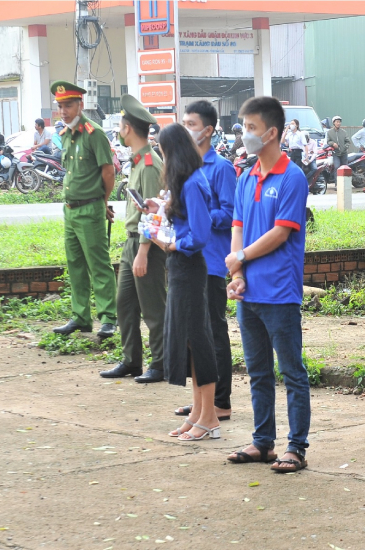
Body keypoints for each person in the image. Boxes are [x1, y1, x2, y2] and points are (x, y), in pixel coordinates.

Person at [224, 96, 310, 472]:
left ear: (272, 132)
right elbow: (237, 226)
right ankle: (263, 442)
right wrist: (238, 272)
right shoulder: (245, 177)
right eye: (244, 128)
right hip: (250, 293)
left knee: (291, 372)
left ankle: (296, 447)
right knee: (257, 372)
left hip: (279, 292)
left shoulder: (292, 178)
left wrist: (241, 259)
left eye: (251, 128)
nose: (245, 135)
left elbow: (280, 233)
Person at [147, 122, 220, 441]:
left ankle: (210, 417)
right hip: (179, 267)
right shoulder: (185, 181)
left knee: (198, 339)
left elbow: (199, 234)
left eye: (162, 151)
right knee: (189, 342)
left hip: (189, 266)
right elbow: (185, 220)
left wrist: (174, 244)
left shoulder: (192, 182)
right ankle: (197, 412)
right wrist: (160, 210)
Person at [173, 100, 236, 418]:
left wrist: (196, 211)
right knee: (192, 333)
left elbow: (229, 214)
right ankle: (202, 399)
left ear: (208, 130)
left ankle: (220, 401)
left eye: (192, 124)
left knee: (213, 329)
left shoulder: (220, 167)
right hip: (188, 258)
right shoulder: (185, 167)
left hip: (210, 260)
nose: (186, 130)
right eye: (183, 123)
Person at [99, 94, 167, 382]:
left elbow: (152, 214)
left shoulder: (150, 165)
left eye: (120, 125)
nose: (118, 130)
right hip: (132, 242)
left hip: (146, 245)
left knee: (153, 308)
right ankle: (131, 360)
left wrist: (142, 251)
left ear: (128, 128)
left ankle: (162, 364)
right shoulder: (139, 161)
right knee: (124, 304)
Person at [50, 81, 118, 339]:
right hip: (70, 210)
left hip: (90, 208)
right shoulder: (67, 134)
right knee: (75, 264)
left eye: (68, 105)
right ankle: (80, 317)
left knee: (98, 265)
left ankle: (108, 318)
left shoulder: (94, 133)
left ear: (80, 104)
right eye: (60, 106)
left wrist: (104, 200)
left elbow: (108, 170)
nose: (63, 111)